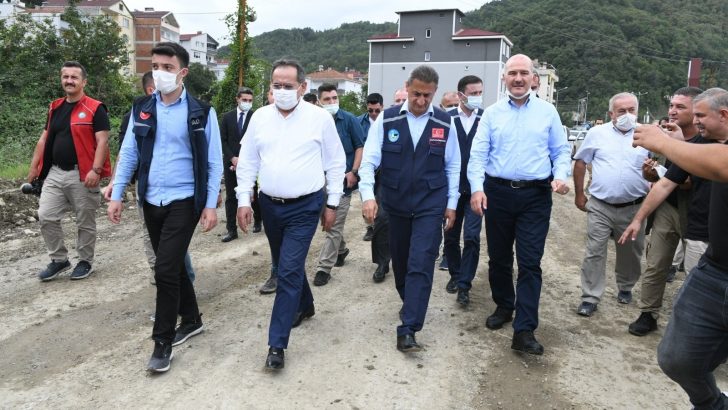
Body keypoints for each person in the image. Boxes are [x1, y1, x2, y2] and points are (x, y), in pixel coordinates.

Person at [108, 42, 223, 373]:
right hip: (150, 199)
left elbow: (213, 162)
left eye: (167, 68)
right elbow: (129, 152)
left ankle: (162, 342)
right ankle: (192, 319)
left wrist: (211, 205)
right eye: (155, 66)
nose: (160, 73)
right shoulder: (142, 107)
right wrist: (117, 193)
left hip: (184, 200)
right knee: (171, 266)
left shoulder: (202, 112)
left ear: (182, 72)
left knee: (164, 269)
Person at [236, 59, 345, 370]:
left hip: (305, 206)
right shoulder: (259, 118)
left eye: (288, 85)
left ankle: (277, 344)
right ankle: (305, 305)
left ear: (302, 87)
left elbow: (336, 163)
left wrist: (332, 204)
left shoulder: (319, 119)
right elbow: (248, 161)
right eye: (277, 85)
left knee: (286, 271)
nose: (282, 90)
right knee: (288, 264)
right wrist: (243, 200)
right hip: (270, 205)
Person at [631, 88, 728, 410]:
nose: (696, 120)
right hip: (715, 269)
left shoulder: (712, 152)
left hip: (704, 247)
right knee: (676, 358)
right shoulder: (704, 145)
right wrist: (639, 218)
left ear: (723, 115)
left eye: (700, 115)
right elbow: (670, 180)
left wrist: (663, 142)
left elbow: (721, 165)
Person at [468, 54, 570, 355]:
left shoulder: (548, 112)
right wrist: (477, 189)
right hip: (497, 193)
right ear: (504, 78)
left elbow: (560, 151)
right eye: (512, 73)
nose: (518, 78)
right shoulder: (492, 114)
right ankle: (504, 305)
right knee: (499, 257)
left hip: (535, 196)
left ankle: (524, 329)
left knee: (529, 262)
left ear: (533, 78)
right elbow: (478, 155)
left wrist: (560, 176)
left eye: (524, 73)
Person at [360, 65, 461, 353]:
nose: (421, 100)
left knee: (421, 262)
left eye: (427, 95)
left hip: (431, 203)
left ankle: (409, 328)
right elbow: (369, 161)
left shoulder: (444, 122)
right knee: (402, 264)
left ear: (434, 93)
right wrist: (368, 196)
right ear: (407, 88)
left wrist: (451, 203)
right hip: (396, 204)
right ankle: (411, 301)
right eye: (416, 93)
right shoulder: (388, 119)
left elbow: (453, 165)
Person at [617, 87, 704, 336]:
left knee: (696, 271)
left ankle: (695, 324)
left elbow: (690, 180)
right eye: (672, 105)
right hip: (668, 206)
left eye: (680, 107)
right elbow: (667, 180)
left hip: (697, 213)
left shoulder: (704, 141)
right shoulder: (670, 136)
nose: (673, 111)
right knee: (655, 263)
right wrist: (651, 173)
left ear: (697, 111)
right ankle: (648, 313)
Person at [103, 72, 196, 285]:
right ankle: (163, 278)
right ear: (151, 90)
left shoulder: (189, 111)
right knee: (152, 236)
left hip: (180, 192)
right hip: (146, 190)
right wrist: (116, 185)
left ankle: (179, 280)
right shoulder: (137, 113)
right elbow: (126, 153)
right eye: (157, 68)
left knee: (174, 242)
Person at [28, 61, 111, 281]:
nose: (69, 81)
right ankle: (59, 260)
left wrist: (96, 170)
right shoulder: (54, 107)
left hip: (83, 174)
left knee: (85, 221)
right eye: (66, 77)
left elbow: (102, 142)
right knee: (46, 215)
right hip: (55, 172)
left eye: (74, 77)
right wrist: (34, 167)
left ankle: (85, 261)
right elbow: (44, 139)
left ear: (84, 82)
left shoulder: (95, 108)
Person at [572, 92, 650, 317]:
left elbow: (658, 166)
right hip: (600, 205)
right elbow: (580, 163)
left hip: (634, 207)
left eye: (631, 110)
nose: (627, 115)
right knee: (594, 251)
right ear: (611, 114)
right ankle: (590, 297)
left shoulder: (647, 135)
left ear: (637, 111)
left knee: (630, 251)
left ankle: (626, 286)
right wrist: (579, 194)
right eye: (621, 111)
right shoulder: (597, 133)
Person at [313, 83, 365, 286]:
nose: (332, 102)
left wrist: (354, 171)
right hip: (318, 182)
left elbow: (360, 147)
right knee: (326, 220)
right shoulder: (314, 121)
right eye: (327, 99)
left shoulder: (350, 120)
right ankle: (341, 250)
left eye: (335, 98)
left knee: (333, 224)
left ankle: (323, 268)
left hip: (343, 181)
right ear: (319, 102)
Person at [441, 75, 485, 308]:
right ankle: (455, 274)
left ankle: (465, 285)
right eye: (473, 93)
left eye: (480, 93)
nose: (478, 97)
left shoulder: (486, 119)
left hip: (476, 191)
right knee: (450, 236)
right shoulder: (446, 119)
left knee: (471, 237)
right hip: (452, 190)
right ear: (461, 95)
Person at [220, 87, 259, 242]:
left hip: (250, 163)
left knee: (253, 193)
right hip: (231, 162)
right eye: (244, 100)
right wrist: (232, 158)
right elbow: (223, 140)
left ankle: (258, 220)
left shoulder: (255, 117)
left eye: (250, 100)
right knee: (231, 197)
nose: (247, 103)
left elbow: (256, 141)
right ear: (237, 99)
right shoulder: (227, 117)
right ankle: (231, 229)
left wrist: (244, 160)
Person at [358, 93, 383, 242]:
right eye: (370, 110)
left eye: (377, 110)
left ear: (382, 107)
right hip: (365, 165)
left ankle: (380, 225)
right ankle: (370, 227)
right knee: (366, 195)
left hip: (382, 167)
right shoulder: (358, 122)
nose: (373, 113)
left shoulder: (386, 121)